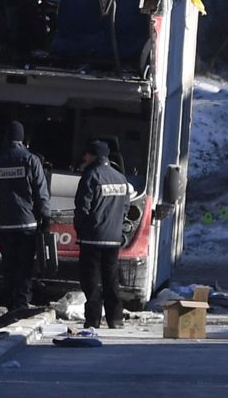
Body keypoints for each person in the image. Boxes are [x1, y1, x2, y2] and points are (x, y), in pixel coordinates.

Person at [0, 120, 51, 311]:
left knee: (9, 265)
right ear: (22, 138)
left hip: (5, 224)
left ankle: (10, 302)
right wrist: (45, 217)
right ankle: (21, 302)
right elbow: (41, 192)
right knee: (25, 266)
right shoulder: (31, 160)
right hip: (27, 224)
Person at [73, 140, 130, 329]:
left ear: (93, 156)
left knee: (91, 281)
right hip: (113, 238)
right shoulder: (121, 178)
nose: (84, 157)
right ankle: (115, 318)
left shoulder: (91, 176)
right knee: (111, 279)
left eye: (87, 154)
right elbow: (126, 207)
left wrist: (80, 230)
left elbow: (82, 208)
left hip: (92, 237)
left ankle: (93, 319)